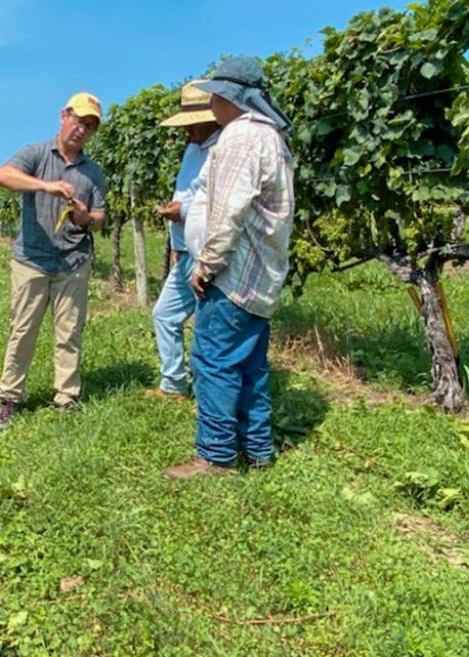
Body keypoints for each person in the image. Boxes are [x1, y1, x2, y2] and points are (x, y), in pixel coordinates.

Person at [163, 57, 295, 478]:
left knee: (213, 360)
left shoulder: (240, 137)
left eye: (216, 94)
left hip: (234, 276)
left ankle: (216, 456)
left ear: (231, 96)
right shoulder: (270, 136)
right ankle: (257, 450)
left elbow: (228, 212)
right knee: (251, 365)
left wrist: (206, 264)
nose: (212, 102)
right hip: (260, 277)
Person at [0, 92, 107, 430]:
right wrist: (46, 186)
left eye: (90, 127)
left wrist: (85, 217)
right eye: (79, 121)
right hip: (32, 260)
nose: (82, 130)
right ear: (63, 116)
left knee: (69, 332)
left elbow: (100, 218)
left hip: (74, 260)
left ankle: (66, 398)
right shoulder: (36, 153)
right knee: (23, 329)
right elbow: (3, 176)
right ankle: (10, 398)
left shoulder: (92, 172)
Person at [150, 81, 221, 400]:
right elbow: (190, 195)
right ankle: (174, 383)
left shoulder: (223, 148)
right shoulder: (194, 148)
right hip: (186, 251)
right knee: (164, 314)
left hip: (208, 253)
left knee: (209, 329)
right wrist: (178, 242)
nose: (186, 130)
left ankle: (209, 394)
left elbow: (220, 202)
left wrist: (184, 210)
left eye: (192, 124)